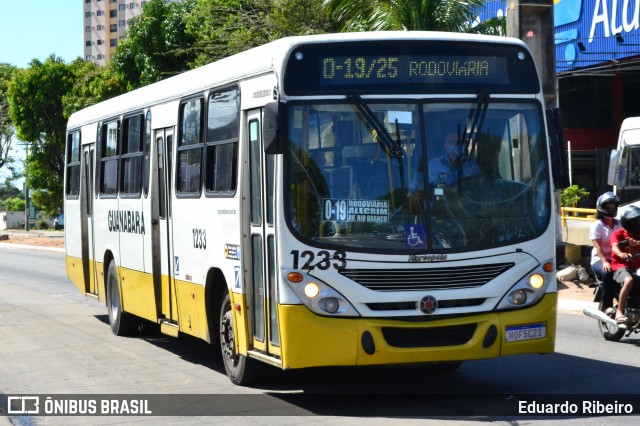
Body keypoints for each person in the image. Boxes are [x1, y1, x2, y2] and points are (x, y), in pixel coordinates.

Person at [589, 192, 621, 313]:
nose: (611, 210)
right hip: (600, 260)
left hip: (617, 259)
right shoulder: (597, 225)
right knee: (607, 272)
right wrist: (604, 262)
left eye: (613, 208)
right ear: (601, 209)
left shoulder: (620, 224)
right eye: (608, 208)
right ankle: (606, 305)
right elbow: (597, 246)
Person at [610, 206, 640, 324]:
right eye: (636, 221)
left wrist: (637, 243)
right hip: (620, 266)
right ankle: (619, 312)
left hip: (637, 267)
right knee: (628, 280)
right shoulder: (618, 234)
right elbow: (614, 247)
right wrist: (621, 254)